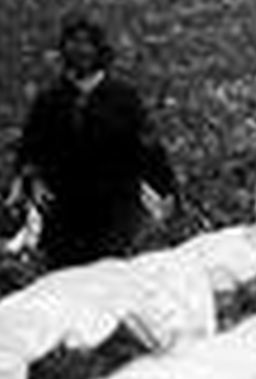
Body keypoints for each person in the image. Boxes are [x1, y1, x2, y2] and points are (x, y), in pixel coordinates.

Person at [11, 15, 178, 269]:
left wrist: (165, 189)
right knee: (66, 275)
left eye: (87, 43)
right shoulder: (50, 100)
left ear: (99, 50)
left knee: (108, 272)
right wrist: (30, 178)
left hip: (114, 206)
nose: (80, 50)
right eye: (73, 42)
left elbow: (148, 147)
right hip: (64, 209)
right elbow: (30, 149)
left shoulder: (123, 98)